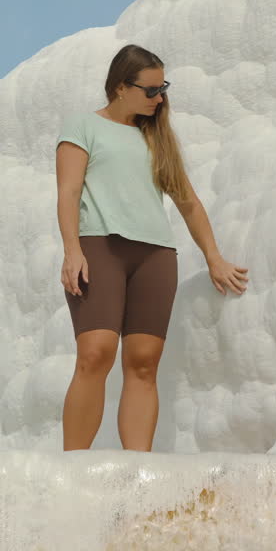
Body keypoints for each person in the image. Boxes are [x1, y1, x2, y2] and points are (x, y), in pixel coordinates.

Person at [56, 44, 200, 452]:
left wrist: (215, 258)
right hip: (99, 247)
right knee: (95, 354)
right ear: (121, 87)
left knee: (142, 364)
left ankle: (138, 471)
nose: (160, 98)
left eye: (163, 89)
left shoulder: (156, 138)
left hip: (155, 256)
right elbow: (68, 192)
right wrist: (72, 250)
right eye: (151, 90)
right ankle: (71, 468)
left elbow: (188, 203)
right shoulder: (82, 125)